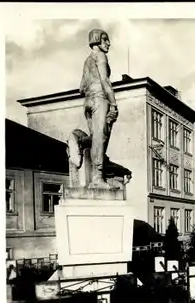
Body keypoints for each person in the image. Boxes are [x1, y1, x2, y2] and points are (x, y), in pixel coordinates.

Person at [80, 29, 119, 189]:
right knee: (100, 138)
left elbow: (81, 88)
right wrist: (114, 103)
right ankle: (97, 178)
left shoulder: (87, 60)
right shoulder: (101, 56)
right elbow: (105, 80)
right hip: (100, 98)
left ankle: (80, 144)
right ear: (96, 40)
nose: (108, 43)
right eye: (105, 40)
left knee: (94, 137)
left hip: (88, 101)